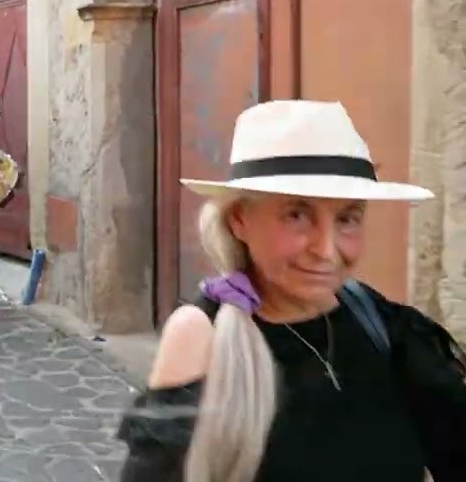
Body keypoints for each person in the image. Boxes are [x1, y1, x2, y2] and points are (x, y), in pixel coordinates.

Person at [117, 100, 466, 481]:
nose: (326, 249)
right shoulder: (202, 336)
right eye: (297, 215)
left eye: (348, 218)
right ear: (239, 220)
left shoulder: (382, 326)